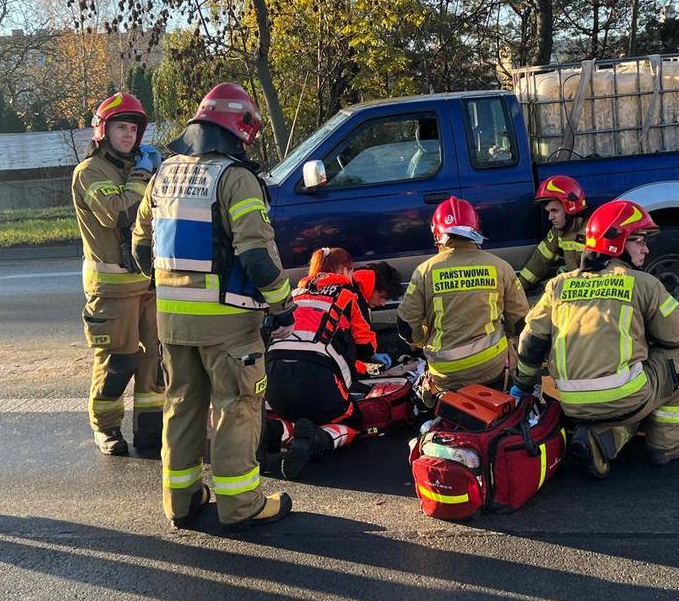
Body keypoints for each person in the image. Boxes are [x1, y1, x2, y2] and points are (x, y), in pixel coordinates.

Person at [132, 82, 293, 531]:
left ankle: (180, 502)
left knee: (181, 407)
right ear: (240, 128)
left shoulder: (163, 174)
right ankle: (240, 506)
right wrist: (283, 305)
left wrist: (168, 290)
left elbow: (140, 247)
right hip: (228, 327)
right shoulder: (234, 178)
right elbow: (256, 255)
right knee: (236, 409)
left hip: (173, 324)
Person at [511, 200, 679, 478]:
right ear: (617, 243)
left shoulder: (558, 285)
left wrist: (522, 387)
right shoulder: (643, 283)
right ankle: (665, 446)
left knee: (622, 405)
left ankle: (600, 442)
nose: (646, 249)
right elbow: (677, 335)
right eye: (638, 240)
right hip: (627, 398)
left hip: (571, 403)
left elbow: (530, 342)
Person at [72, 92, 166, 456]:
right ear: (103, 130)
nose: (129, 135)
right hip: (111, 289)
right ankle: (106, 428)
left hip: (148, 282)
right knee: (117, 363)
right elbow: (118, 213)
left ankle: (150, 431)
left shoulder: (140, 168)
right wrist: (144, 177)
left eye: (133, 129)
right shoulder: (89, 172)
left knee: (154, 362)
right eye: (121, 127)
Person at [265, 247, 393, 480]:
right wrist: (372, 356)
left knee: (290, 415)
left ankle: (276, 432)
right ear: (344, 269)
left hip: (275, 379)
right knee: (352, 422)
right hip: (319, 380)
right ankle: (317, 439)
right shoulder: (347, 295)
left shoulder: (294, 293)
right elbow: (365, 347)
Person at [398, 197, 529, 406]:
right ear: (476, 229)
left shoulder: (424, 271)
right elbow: (520, 322)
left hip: (446, 374)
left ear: (437, 234)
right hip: (492, 367)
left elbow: (406, 326)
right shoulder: (501, 267)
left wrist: (422, 340)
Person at [517, 175, 589, 292]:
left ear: (570, 207)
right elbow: (540, 259)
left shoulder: (592, 232)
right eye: (548, 212)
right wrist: (517, 288)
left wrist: (561, 281)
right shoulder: (558, 231)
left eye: (554, 210)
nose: (550, 217)